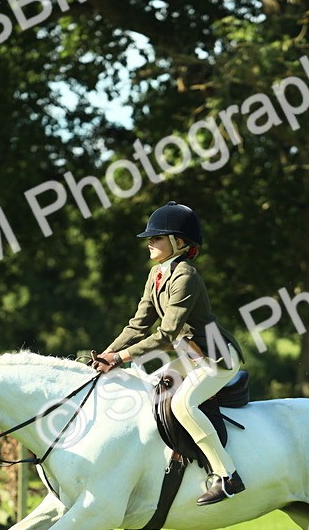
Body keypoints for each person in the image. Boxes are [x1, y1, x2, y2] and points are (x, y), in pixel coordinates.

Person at [94, 201, 246, 505]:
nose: (150, 242)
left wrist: (121, 358)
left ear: (178, 242)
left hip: (216, 356)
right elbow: (138, 325)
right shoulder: (157, 275)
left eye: (157, 237)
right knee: (150, 391)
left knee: (183, 405)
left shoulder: (186, 276)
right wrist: (106, 354)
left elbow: (166, 334)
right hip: (190, 356)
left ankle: (227, 475)